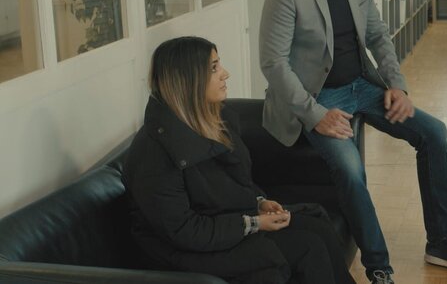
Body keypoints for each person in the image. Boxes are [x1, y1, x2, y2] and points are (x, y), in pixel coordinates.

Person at [259, 0, 447, 284]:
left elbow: (378, 34)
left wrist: (397, 84)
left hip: (362, 86)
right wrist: (315, 115)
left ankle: (441, 241)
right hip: (320, 98)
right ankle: (378, 266)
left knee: (433, 133)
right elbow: (274, 63)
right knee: (351, 170)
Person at [123, 36, 355, 284]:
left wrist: (259, 203)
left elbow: (229, 185)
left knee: (318, 225)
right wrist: (254, 223)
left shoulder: (210, 120)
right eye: (214, 68)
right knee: (307, 247)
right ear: (188, 79)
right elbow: (185, 232)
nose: (226, 74)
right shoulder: (153, 153)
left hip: (221, 228)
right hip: (185, 253)